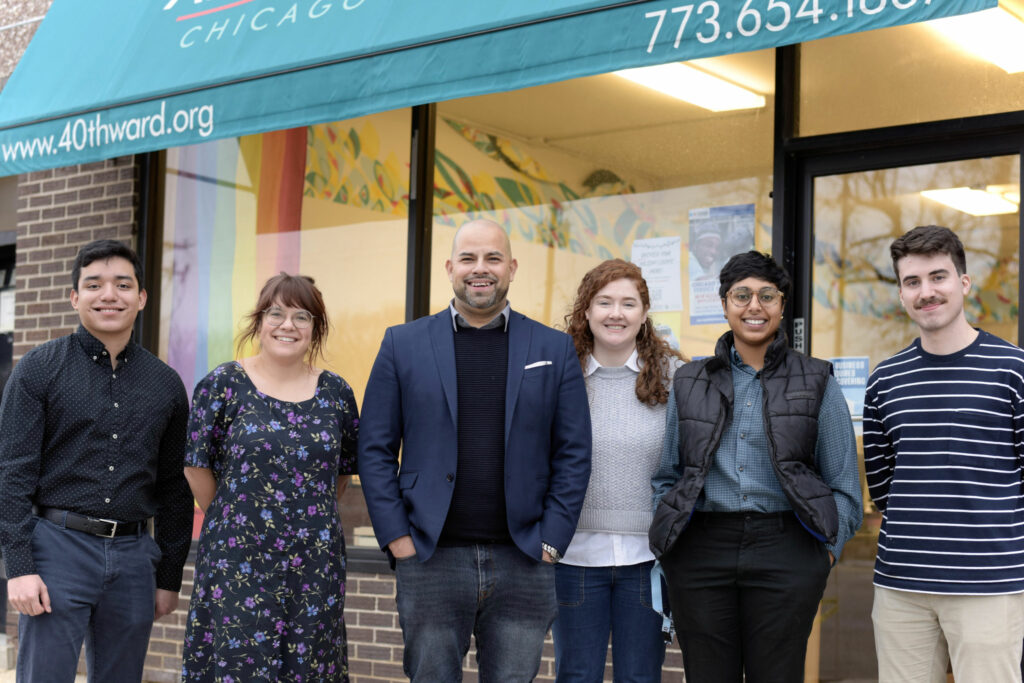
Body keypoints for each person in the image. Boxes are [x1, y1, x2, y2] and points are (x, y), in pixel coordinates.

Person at [357, 218, 592, 682]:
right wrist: (397, 538)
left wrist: (551, 542)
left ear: (512, 267)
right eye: (468, 258)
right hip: (430, 558)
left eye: (492, 258)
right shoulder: (401, 344)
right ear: (449, 268)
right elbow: (375, 449)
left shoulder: (554, 348)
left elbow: (573, 453)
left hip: (523, 560)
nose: (479, 269)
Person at [650, 250, 863, 682]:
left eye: (767, 296)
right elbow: (667, 476)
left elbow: (844, 485)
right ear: (725, 304)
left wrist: (823, 552)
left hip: (788, 547)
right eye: (741, 295)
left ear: (782, 306)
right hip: (701, 550)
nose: (754, 306)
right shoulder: (690, 381)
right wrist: (673, 544)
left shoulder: (816, 379)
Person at [0, 239, 192, 682]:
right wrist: (20, 568)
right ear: (75, 297)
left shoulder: (165, 384)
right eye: (94, 285)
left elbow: (174, 489)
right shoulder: (38, 369)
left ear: (141, 297)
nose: (110, 295)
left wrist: (168, 577)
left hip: (133, 557)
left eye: (123, 284)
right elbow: (12, 476)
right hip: (56, 550)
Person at [864, 225, 1024, 683]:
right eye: (912, 282)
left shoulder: (1013, 370)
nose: (926, 292)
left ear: (964, 283)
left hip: (989, 587)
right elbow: (884, 487)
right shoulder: (885, 380)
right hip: (901, 588)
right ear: (900, 293)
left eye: (939, 277)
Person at [181, 273, 358, 682]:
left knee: (310, 665)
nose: (287, 325)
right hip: (237, 560)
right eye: (276, 313)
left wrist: (303, 519)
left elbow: (341, 476)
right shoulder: (222, 385)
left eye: (302, 316)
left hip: (315, 563)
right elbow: (195, 467)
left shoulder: (336, 393)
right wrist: (237, 516)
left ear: (316, 328)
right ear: (259, 320)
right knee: (238, 665)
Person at [552, 259, 683, 681]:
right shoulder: (559, 374)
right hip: (572, 558)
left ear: (644, 314)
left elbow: (689, 464)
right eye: (604, 302)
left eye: (629, 303)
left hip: (649, 562)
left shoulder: (673, 377)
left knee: (641, 677)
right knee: (576, 675)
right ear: (585, 310)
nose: (616, 313)